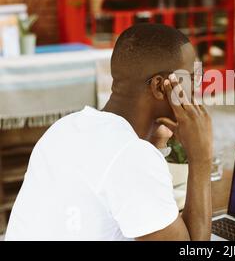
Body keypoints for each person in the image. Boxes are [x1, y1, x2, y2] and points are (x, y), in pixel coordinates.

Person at [5, 24, 213, 241]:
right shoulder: (131, 156)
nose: (197, 85)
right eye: (192, 76)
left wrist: (155, 143)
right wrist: (201, 158)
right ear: (160, 87)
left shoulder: (64, 127)